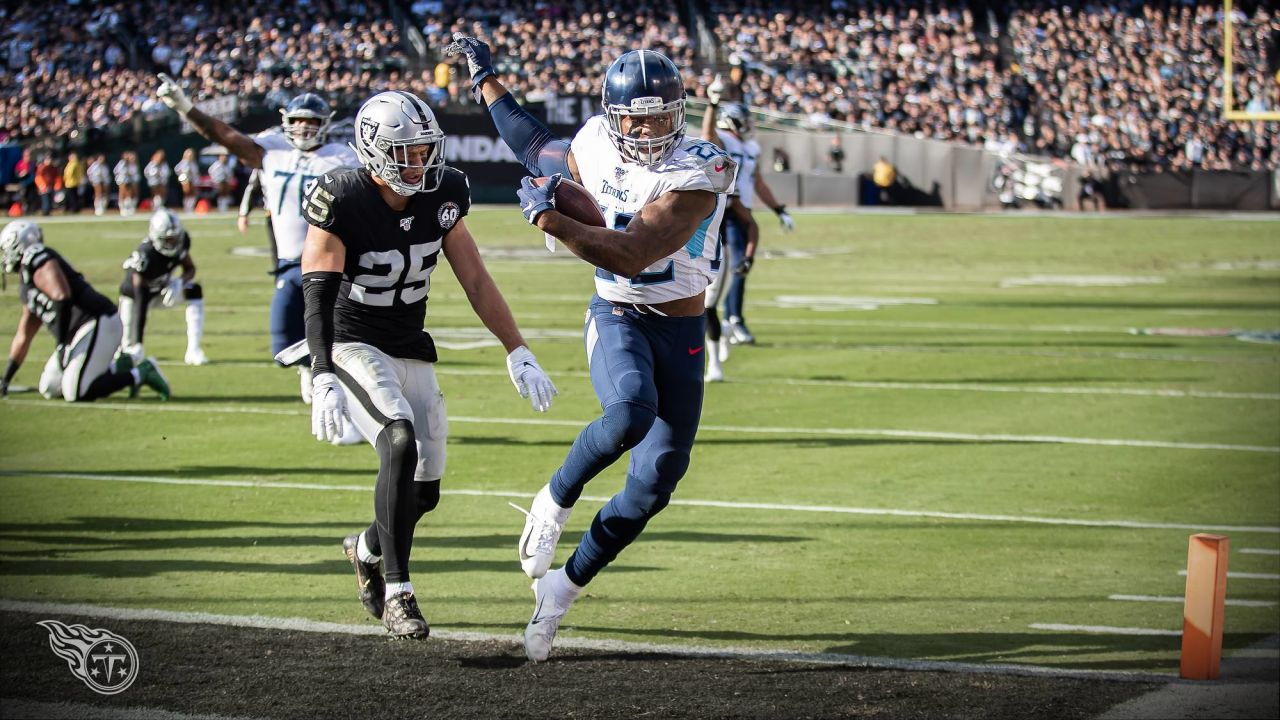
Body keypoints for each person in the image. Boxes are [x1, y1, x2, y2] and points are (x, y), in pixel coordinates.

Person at [448, 34, 736, 662]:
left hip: (682, 327)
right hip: (618, 316)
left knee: (657, 478)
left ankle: (562, 588)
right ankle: (553, 500)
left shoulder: (702, 169)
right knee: (630, 409)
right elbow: (531, 143)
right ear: (614, 116)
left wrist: (553, 221)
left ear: (680, 111)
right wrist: (485, 80)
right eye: (638, 117)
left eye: (663, 115)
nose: (651, 128)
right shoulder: (594, 145)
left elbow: (633, 253)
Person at [279, 90, 558, 639]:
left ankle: (363, 549)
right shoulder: (342, 195)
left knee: (424, 492)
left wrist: (516, 348)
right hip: (353, 342)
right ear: (374, 150)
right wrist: (323, 370)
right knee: (398, 439)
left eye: (425, 149)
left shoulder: (446, 191)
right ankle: (399, 592)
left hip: (408, 341)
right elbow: (316, 291)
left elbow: (474, 277)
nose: (419, 162)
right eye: (405, 152)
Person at [157, 76, 363, 414]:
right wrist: (185, 108)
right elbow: (223, 135)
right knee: (283, 345)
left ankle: (345, 400)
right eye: (297, 121)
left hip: (332, 263)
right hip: (288, 262)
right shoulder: (271, 149)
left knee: (339, 339)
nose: (303, 128)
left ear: (324, 125)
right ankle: (309, 369)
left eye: (311, 122)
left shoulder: (342, 157)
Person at [0, 220, 170, 402]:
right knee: (50, 387)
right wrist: (6, 379)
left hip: (97, 321)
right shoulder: (26, 285)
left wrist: (61, 343)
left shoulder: (35, 257)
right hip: (77, 333)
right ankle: (123, 365)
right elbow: (23, 336)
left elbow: (61, 295)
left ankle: (141, 373)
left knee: (76, 391)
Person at [703, 96, 793, 347]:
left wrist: (778, 209)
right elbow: (709, 134)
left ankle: (732, 318)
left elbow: (758, 182)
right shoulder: (724, 140)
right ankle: (721, 318)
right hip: (721, 206)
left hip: (739, 206)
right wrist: (711, 105)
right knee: (718, 268)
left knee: (740, 266)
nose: (748, 125)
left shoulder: (749, 147)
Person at [698, 89, 760, 382]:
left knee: (707, 306)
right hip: (689, 250)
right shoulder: (685, 191)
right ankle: (718, 341)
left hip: (714, 250)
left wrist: (748, 258)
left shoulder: (729, 196)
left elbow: (752, 225)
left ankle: (714, 365)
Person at [118, 209, 208, 366]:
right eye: (168, 239)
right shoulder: (146, 256)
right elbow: (141, 298)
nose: (173, 243)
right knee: (126, 351)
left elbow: (190, 268)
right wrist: (138, 342)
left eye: (175, 238)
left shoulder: (182, 242)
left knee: (194, 290)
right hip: (133, 299)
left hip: (161, 290)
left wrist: (179, 282)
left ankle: (193, 350)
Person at [114, 151, 141, 216]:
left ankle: (129, 208)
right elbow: (116, 171)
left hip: (129, 181)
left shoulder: (133, 164)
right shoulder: (121, 163)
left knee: (130, 194)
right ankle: (122, 209)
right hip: (122, 181)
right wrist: (121, 176)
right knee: (122, 194)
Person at [174, 148, 200, 214]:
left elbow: (196, 173)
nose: (190, 156)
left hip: (193, 181)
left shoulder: (193, 163)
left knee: (193, 194)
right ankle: (187, 208)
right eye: (188, 155)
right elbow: (177, 170)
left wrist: (196, 181)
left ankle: (191, 207)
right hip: (186, 180)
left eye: (191, 155)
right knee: (187, 193)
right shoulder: (183, 162)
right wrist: (182, 177)